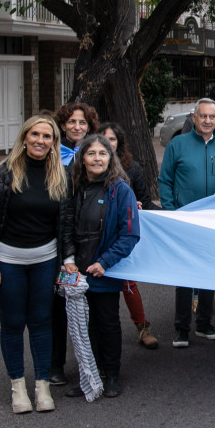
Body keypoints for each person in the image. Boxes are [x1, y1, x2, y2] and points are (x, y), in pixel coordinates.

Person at [0, 115, 75, 413]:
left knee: (42, 322)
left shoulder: (60, 175)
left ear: (54, 143)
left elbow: (66, 222)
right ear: (24, 137)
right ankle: (18, 387)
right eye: (35, 134)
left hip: (45, 261)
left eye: (47, 137)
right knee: (12, 323)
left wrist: (68, 260)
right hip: (7, 262)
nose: (40, 141)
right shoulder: (1, 174)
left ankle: (42, 387)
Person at [64, 134, 141, 399]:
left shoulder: (121, 190)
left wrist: (104, 262)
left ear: (111, 158)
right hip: (76, 270)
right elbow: (65, 227)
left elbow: (129, 234)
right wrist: (69, 260)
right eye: (91, 153)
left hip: (104, 270)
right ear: (82, 158)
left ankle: (112, 374)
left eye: (103, 153)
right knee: (83, 327)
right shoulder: (73, 188)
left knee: (107, 323)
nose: (97, 158)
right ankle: (89, 376)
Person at [159, 98, 215, 348]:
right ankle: (181, 329)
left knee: (208, 274)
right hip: (183, 219)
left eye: (212, 117)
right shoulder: (177, 144)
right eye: (203, 116)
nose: (207, 121)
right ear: (193, 118)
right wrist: (172, 211)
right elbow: (165, 181)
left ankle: (204, 324)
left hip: (211, 221)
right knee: (185, 276)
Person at [49, 101, 100, 384]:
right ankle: (56, 365)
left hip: (89, 242)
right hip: (58, 242)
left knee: (90, 306)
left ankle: (90, 364)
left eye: (82, 123)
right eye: (71, 122)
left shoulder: (95, 153)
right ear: (63, 126)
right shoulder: (53, 156)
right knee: (57, 307)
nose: (77, 127)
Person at [98, 122, 158, 350]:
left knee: (128, 282)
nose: (107, 144)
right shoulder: (86, 169)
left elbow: (145, 200)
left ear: (118, 143)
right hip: (95, 237)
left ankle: (142, 327)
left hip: (121, 237)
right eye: (102, 139)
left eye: (111, 139)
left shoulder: (131, 169)